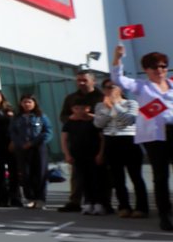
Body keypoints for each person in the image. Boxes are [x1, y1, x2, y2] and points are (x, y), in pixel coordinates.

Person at [111, 46, 173, 230]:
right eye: (154, 67)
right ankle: (165, 215)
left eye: (163, 66)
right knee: (161, 176)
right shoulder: (141, 86)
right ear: (146, 70)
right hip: (156, 135)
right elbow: (118, 79)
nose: (159, 70)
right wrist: (118, 57)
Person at [94, 78, 148, 218]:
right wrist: (108, 109)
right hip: (111, 141)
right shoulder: (100, 105)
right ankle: (124, 206)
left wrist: (115, 105)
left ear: (120, 89)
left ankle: (142, 207)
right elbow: (99, 124)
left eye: (113, 87)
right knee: (117, 178)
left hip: (129, 140)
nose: (109, 89)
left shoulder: (131, 103)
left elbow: (129, 120)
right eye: (106, 87)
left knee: (136, 176)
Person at [57, 70, 104, 212]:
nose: (81, 83)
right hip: (77, 139)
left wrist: (90, 116)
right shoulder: (71, 98)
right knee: (77, 173)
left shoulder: (101, 97)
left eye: (84, 80)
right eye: (78, 80)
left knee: (99, 174)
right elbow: (64, 116)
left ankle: (102, 202)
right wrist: (73, 118)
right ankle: (75, 201)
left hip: (97, 139)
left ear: (93, 81)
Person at [61, 100, 107, 215]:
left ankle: (98, 203)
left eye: (83, 108)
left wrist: (101, 153)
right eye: (77, 108)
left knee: (96, 179)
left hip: (93, 154)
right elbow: (64, 139)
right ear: (72, 109)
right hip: (78, 155)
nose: (80, 111)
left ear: (88, 108)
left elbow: (102, 139)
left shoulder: (95, 121)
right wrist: (67, 154)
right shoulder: (70, 122)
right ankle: (88, 203)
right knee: (83, 179)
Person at [9, 94, 51, 209]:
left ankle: (41, 198)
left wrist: (34, 142)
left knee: (40, 172)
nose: (27, 104)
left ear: (34, 103)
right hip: (22, 148)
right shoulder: (17, 118)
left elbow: (47, 131)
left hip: (38, 148)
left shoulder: (41, 116)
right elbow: (12, 132)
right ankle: (30, 198)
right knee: (26, 173)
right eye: (24, 102)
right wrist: (20, 143)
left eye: (29, 102)